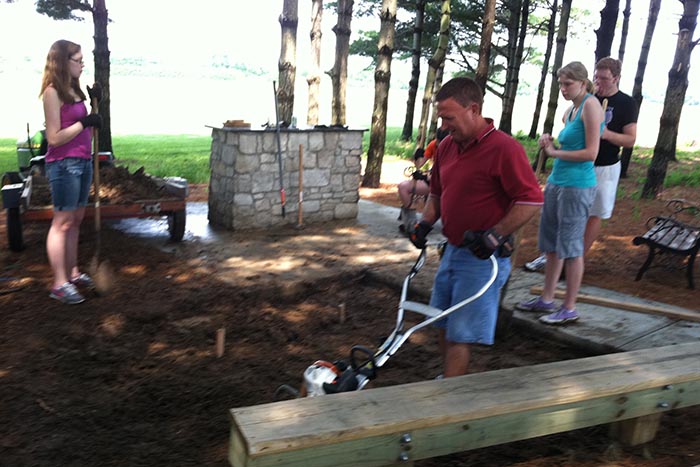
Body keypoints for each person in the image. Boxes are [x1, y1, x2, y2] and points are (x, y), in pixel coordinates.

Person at [409, 77, 543, 377]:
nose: (444, 126)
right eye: (441, 118)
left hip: (482, 258)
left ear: (474, 109)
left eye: (449, 118)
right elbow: (437, 193)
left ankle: (449, 403)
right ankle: (448, 383)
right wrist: (425, 223)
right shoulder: (446, 148)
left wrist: (496, 234)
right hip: (452, 252)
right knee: (442, 322)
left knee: (461, 333)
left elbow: (531, 199)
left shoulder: (505, 149)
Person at [524, 57, 638, 272]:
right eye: (596, 76)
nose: (599, 81)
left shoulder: (626, 103)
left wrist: (607, 133)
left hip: (605, 166)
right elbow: (568, 122)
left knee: (594, 213)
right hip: (576, 166)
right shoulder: (587, 99)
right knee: (565, 215)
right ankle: (552, 258)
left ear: (616, 78)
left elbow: (630, 140)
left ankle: (575, 261)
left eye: (604, 78)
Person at [517, 62, 604, 324]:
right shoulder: (571, 110)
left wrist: (554, 152)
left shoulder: (591, 106)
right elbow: (569, 144)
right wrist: (550, 143)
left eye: (568, 84)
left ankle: (569, 307)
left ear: (583, 83)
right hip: (558, 182)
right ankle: (546, 298)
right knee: (552, 245)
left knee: (572, 247)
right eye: (560, 84)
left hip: (578, 186)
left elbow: (591, 153)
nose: (563, 89)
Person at [41, 40, 102, 304]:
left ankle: (73, 273)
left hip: (83, 161)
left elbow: (84, 120)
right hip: (64, 164)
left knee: (75, 221)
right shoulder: (52, 92)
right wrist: (84, 123)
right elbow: (54, 138)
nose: (82, 63)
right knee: (62, 223)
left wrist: (97, 100)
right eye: (77, 60)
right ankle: (59, 283)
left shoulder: (75, 89)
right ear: (63, 62)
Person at [397, 129, 447, 232]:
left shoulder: (454, 150)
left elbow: (446, 177)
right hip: (433, 181)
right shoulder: (433, 145)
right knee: (403, 187)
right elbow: (420, 165)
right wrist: (417, 158)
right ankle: (412, 224)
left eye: (441, 143)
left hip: (446, 185)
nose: (437, 145)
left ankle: (416, 226)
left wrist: (426, 177)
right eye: (437, 142)